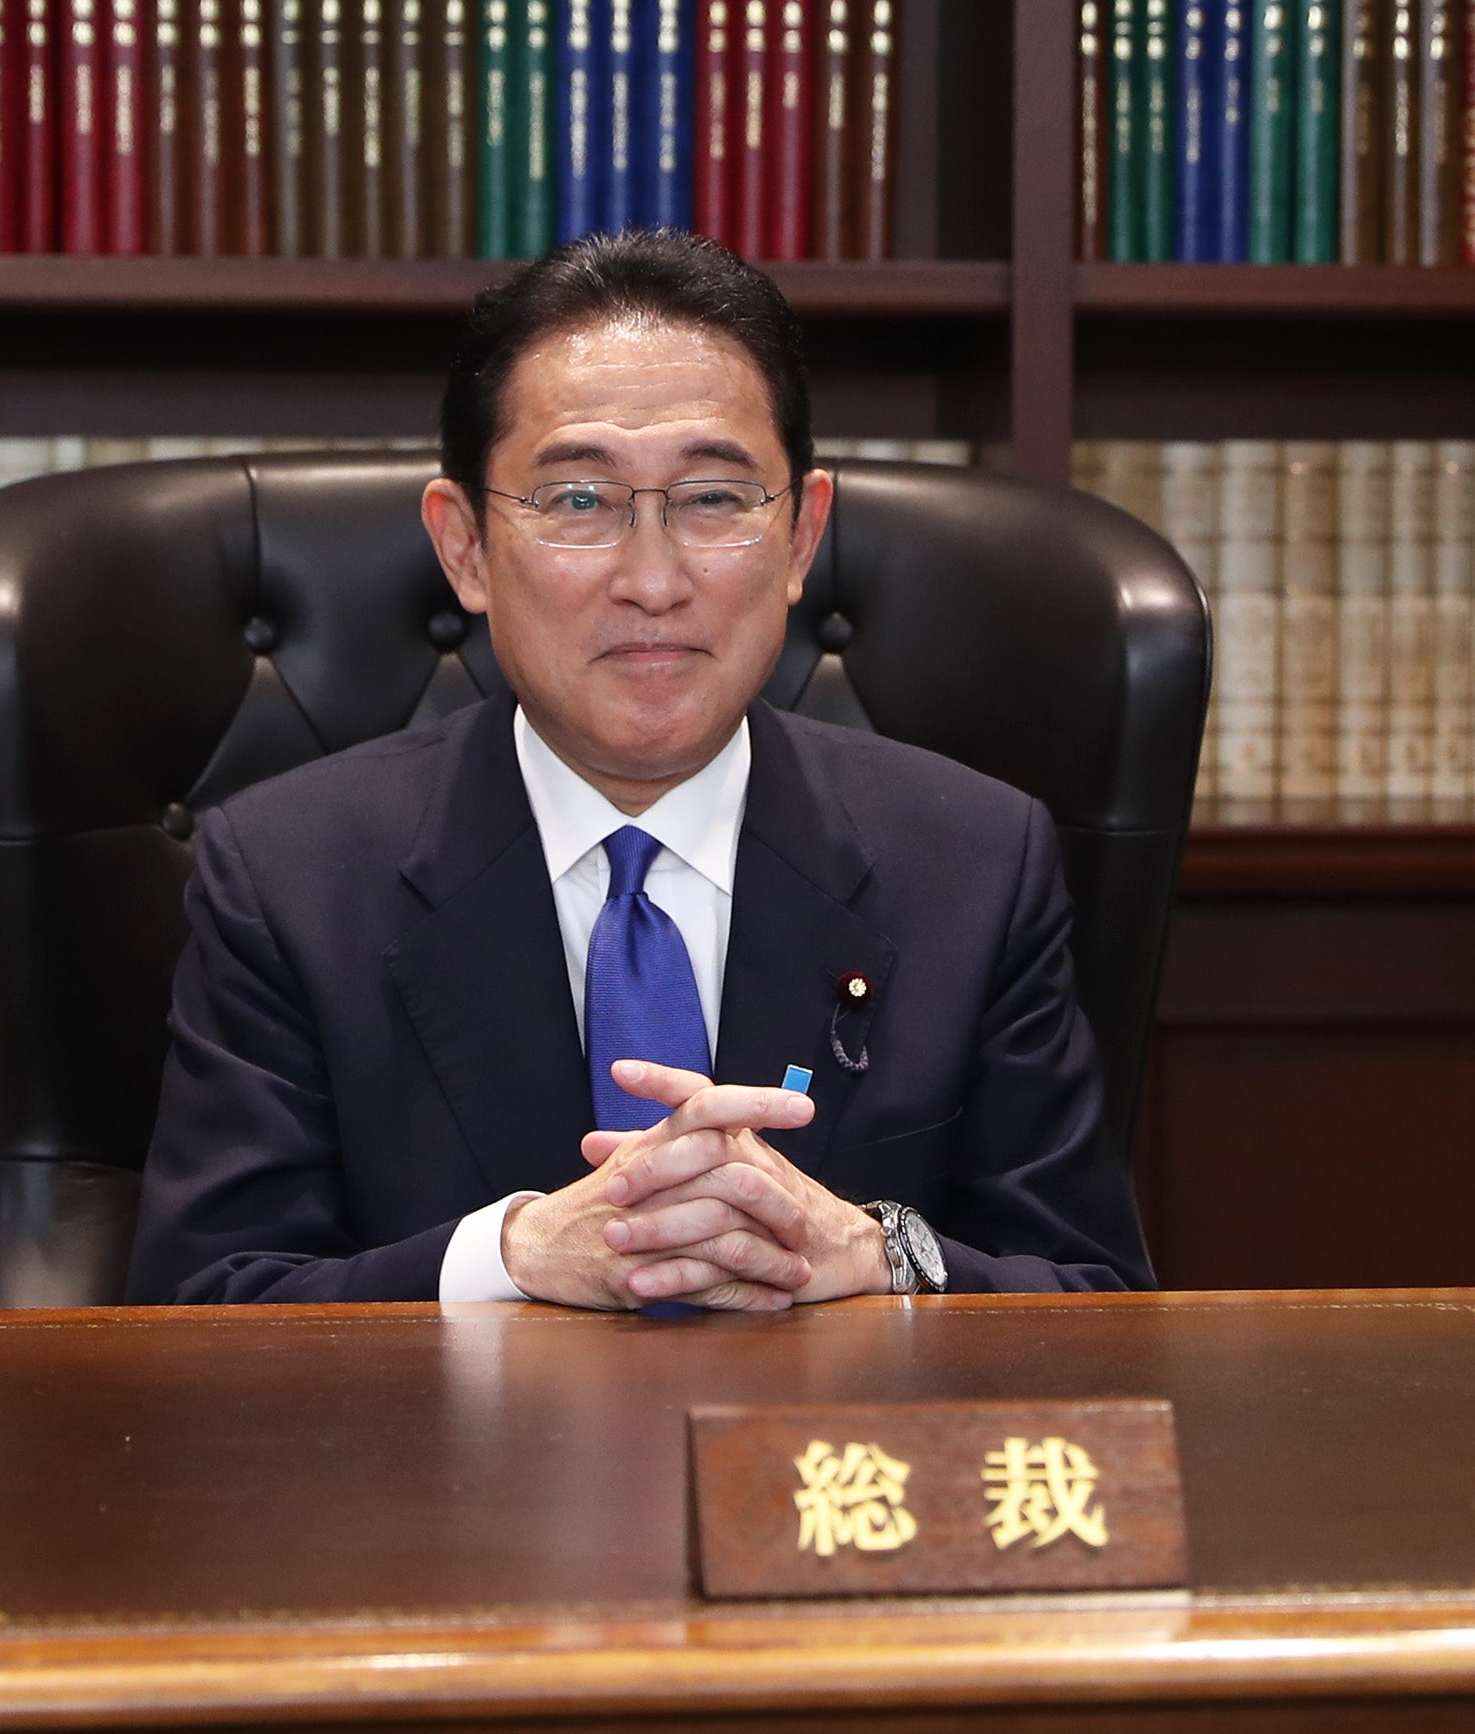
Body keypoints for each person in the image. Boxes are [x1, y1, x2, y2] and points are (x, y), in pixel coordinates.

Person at [125, 232, 1154, 1308]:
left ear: (802, 537)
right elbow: (203, 1309)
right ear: (465, 546)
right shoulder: (287, 878)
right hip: (460, 1473)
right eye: (579, 502)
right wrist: (509, 1258)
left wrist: (875, 1257)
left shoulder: (975, 866)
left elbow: (1092, 1297)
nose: (654, 582)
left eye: (714, 499)